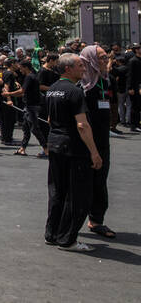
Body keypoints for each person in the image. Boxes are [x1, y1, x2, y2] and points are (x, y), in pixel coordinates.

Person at [44, 53, 102, 252]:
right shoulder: (75, 92)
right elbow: (82, 125)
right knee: (77, 194)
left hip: (56, 144)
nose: (84, 69)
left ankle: (52, 233)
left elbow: (50, 119)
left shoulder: (52, 90)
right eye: (79, 65)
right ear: (67, 69)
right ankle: (67, 239)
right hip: (73, 148)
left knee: (57, 191)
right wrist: (94, 152)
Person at [79, 46, 116, 239]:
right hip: (85, 143)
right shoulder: (81, 87)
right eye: (101, 57)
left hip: (102, 140)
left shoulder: (104, 81)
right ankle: (73, 221)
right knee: (81, 183)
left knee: (100, 181)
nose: (105, 60)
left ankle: (96, 219)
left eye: (105, 57)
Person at [15, 60, 48, 157]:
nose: (20, 70)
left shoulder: (30, 77)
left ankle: (46, 149)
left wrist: (8, 94)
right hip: (29, 106)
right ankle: (22, 148)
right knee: (26, 128)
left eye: (21, 68)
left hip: (31, 107)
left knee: (34, 129)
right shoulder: (32, 76)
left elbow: (22, 91)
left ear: (25, 67)